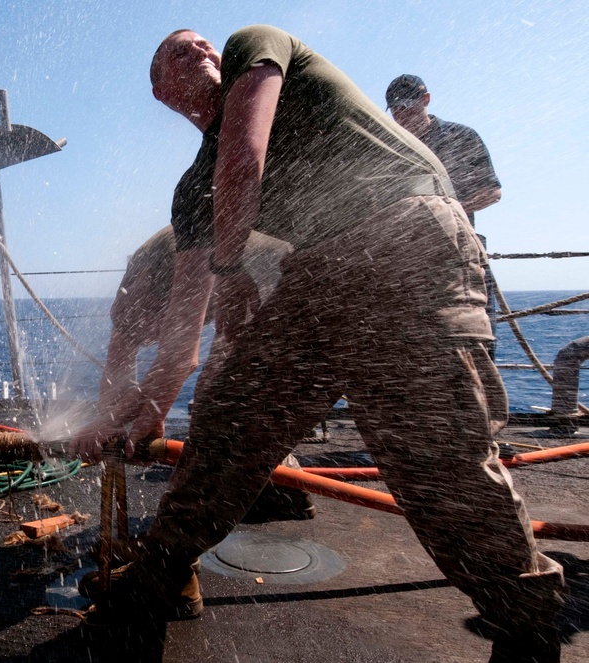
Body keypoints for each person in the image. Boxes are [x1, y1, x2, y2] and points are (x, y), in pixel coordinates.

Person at [73, 26, 564, 662]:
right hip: (316, 270)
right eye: (176, 51)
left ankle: (528, 624)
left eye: (201, 44)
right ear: (162, 93)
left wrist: (230, 272)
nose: (200, 49)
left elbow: (244, 154)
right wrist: (147, 410)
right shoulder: (194, 189)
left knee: (435, 457)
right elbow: (182, 330)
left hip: (405, 235)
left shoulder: (257, 42)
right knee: (228, 428)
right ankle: (147, 589)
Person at [81, 224, 315, 531]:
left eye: (150, 330)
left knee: (220, 398)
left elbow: (179, 359)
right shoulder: (134, 296)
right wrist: (114, 429)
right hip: (231, 277)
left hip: (278, 277)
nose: (146, 338)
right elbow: (118, 364)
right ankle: (246, 485)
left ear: (150, 288)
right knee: (215, 399)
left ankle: (284, 491)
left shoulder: (182, 269)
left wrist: (136, 419)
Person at [386, 74, 503, 355]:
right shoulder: (387, 146)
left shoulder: (460, 137)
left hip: (459, 257)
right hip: (403, 264)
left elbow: (491, 192)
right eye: (395, 107)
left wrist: (439, 213)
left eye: (407, 104)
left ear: (425, 100)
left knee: (474, 345)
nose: (402, 113)